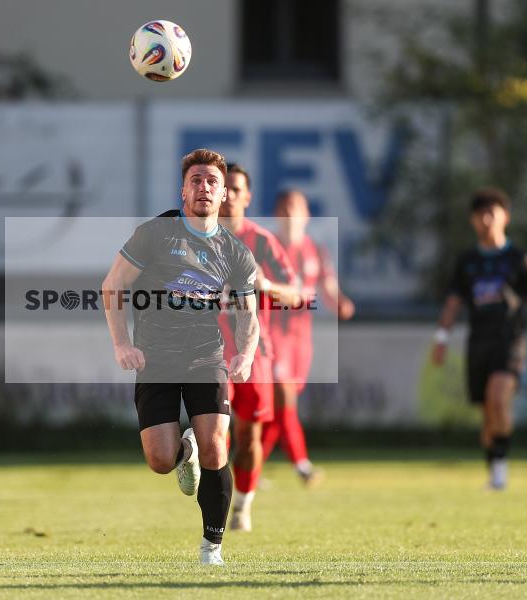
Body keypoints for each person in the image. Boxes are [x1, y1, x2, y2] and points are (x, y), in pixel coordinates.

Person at [102, 149, 260, 566]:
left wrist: (244, 354)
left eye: (212, 181)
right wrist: (122, 343)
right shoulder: (157, 233)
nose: (204, 187)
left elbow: (249, 315)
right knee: (159, 460)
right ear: (183, 189)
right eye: (196, 180)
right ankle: (182, 455)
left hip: (206, 356)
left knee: (215, 447)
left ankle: (212, 548)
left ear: (225, 193)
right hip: (155, 357)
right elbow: (113, 285)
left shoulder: (236, 253)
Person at [432, 187, 527, 490]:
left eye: (493, 211)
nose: (487, 218)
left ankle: (501, 471)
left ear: (505, 217)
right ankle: (493, 467)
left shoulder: (520, 259)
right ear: (473, 220)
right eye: (481, 213)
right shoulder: (467, 262)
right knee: (487, 412)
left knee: (498, 397)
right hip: (478, 342)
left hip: (510, 340)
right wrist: (441, 339)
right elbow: (453, 303)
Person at [217, 163, 300, 532]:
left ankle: (243, 505)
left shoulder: (263, 242)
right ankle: (210, 493)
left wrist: (267, 286)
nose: (228, 195)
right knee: (215, 427)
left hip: (254, 351)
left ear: (247, 196)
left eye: (236, 189)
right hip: (207, 349)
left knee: (248, 435)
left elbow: (296, 295)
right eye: (224, 188)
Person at [262, 189, 354, 487]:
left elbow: (327, 282)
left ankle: (249, 465)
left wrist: (339, 301)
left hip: (301, 339)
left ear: (307, 215)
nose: (290, 215)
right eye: (285, 209)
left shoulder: (314, 249)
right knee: (284, 398)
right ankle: (302, 465)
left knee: (281, 408)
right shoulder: (269, 248)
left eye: (296, 209)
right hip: (272, 334)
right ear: (277, 213)